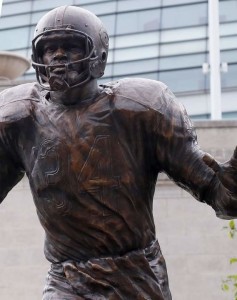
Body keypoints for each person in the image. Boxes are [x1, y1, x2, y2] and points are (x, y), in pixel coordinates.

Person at [0, 5, 237, 300]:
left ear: (98, 56)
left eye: (72, 46)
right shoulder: (20, 116)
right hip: (65, 279)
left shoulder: (139, 109)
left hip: (135, 275)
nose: (58, 56)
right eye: (50, 48)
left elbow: (223, 196)